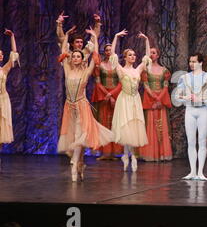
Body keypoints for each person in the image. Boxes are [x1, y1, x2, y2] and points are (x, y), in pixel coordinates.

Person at [57, 27, 114, 182]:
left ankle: (75, 165)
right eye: (73, 56)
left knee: (79, 136)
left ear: (82, 59)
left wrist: (95, 37)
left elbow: (94, 57)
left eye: (78, 56)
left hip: (82, 106)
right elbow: (63, 52)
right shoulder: (67, 70)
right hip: (70, 107)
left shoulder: (86, 72)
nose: (75, 58)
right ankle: (80, 162)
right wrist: (66, 34)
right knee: (73, 139)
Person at [109, 30, 151, 172]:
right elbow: (112, 55)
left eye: (134, 55)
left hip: (135, 100)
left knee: (133, 127)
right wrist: (115, 37)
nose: (133, 57)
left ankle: (131, 155)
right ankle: (127, 155)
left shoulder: (138, 69)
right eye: (130, 55)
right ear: (125, 57)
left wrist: (146, 40)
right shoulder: (120, 69)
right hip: (124, 100)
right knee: (126, 127)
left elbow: (147, 57)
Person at [174, 53, 207, 181]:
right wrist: (185, 97)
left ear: (200, 63)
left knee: (202, 141)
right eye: (190, 61)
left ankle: (200, 172)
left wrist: (202, 98)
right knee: (191, 142)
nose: (191, 64)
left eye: (194, 61)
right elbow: (177, 96)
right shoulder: (185, 78)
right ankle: (192, 171)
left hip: (203, 111)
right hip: (190, 110)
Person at [138, 36, 173, 161]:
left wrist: (159, 98)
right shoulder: (145, 70)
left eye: (154, 53)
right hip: (150, 99)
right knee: (150, 125)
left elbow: (165, 85)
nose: (152, 55)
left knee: (161, 125)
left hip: (161, 100)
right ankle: (151, 154)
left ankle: (162, 154)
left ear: (158, 55)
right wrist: (154, 97)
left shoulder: (164, 70)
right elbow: (146, 85)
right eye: (150, 53)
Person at [91, 43, 123, 160]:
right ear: (104, 52)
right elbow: (98, 83)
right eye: (107, 50)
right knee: (103, 122)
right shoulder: (100, 66)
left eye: (111, 50)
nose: (109, 52)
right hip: (104, 96)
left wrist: (113, 95)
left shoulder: (118, 66)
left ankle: (114, 152)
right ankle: (104, 152)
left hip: (116, 95)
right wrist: (108, 95)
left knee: (114, 123)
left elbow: (121, 83)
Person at [0, 29, 20, 151]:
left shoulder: (4, 69)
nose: (1, 55)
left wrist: (12, 36)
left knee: (1, 130)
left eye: (1, 54)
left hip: (2, 99)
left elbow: (14, 54)